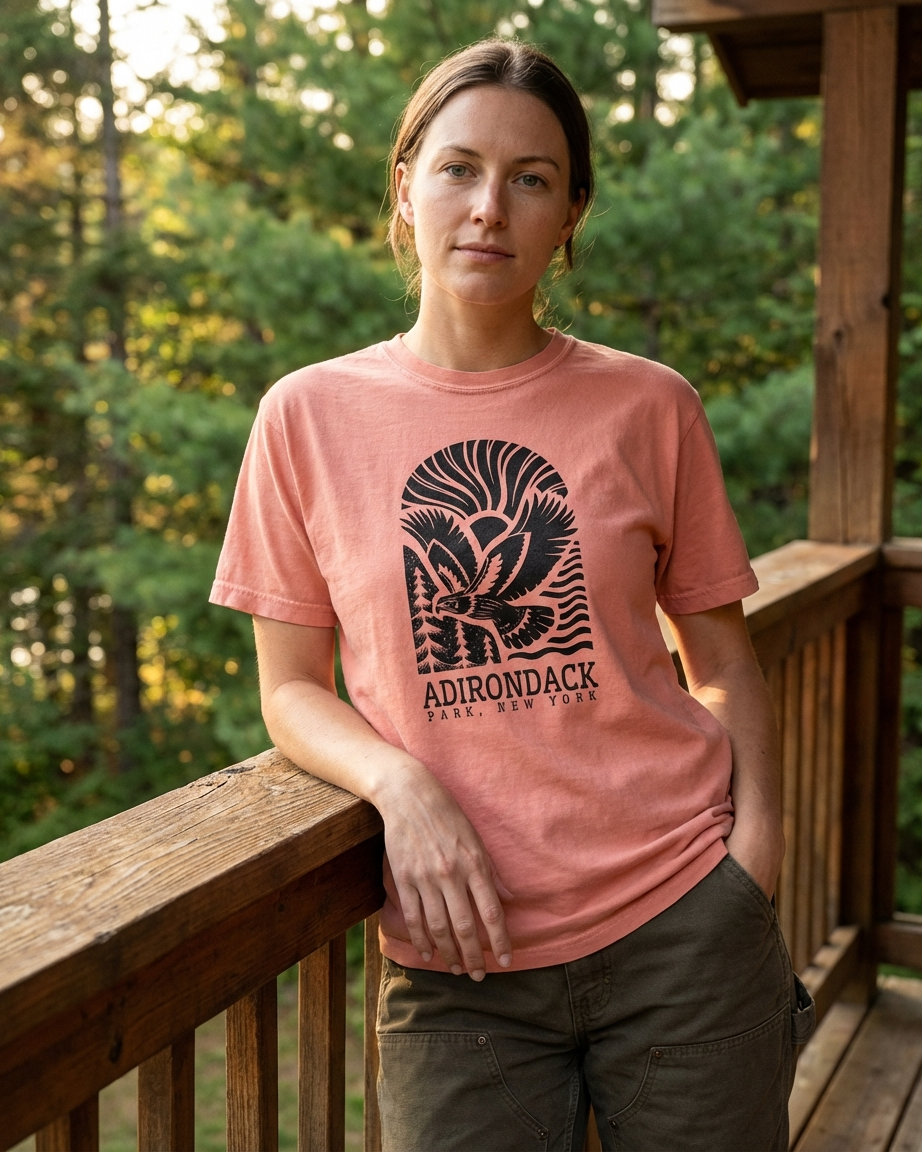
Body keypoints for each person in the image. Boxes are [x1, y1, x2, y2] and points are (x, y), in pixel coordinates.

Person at [210, 38, 814, 1152]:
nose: (489, 207)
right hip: (457, 965)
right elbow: (291, 690)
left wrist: (754, 866)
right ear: (405, 186)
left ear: (569, 212)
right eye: (458, 168)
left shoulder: (649, 406)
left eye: (530, 178)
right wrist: (399, 786)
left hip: (682, 921)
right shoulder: (305, 417)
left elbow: (721, 662)